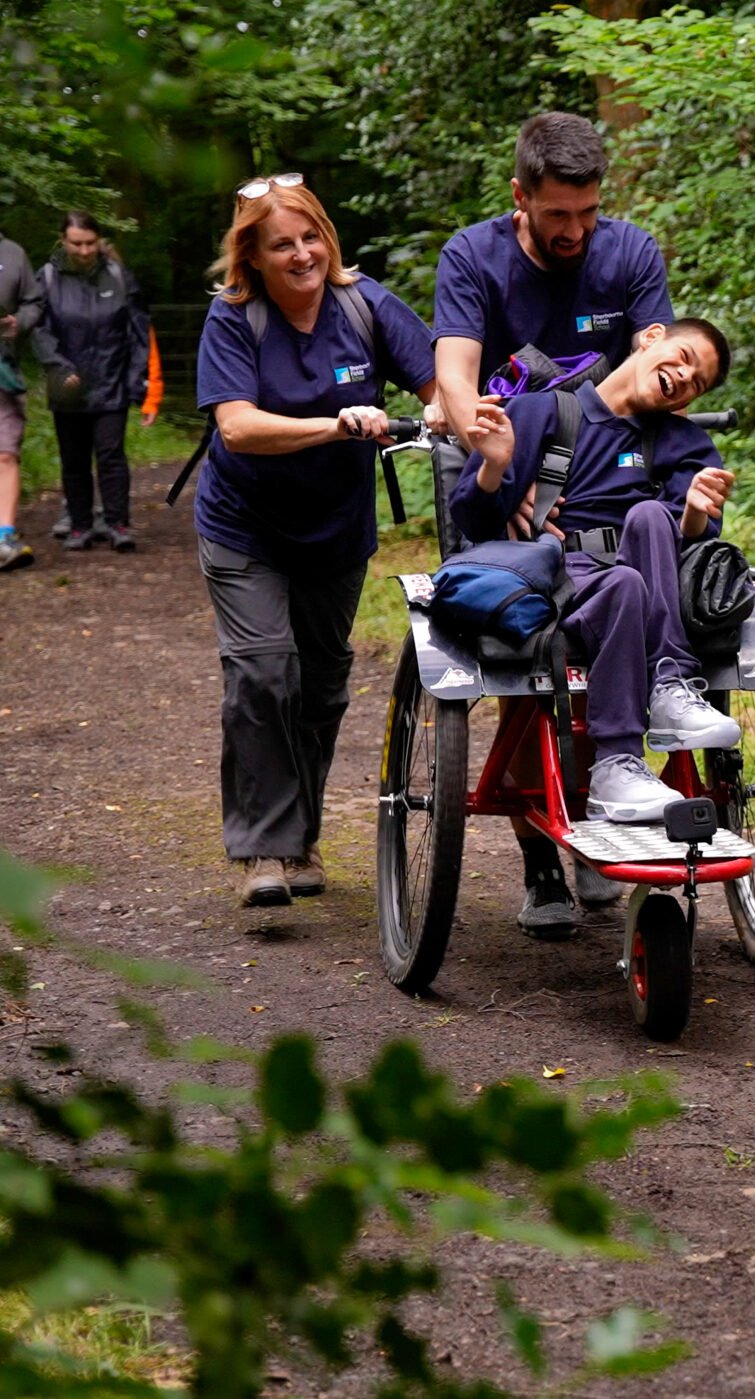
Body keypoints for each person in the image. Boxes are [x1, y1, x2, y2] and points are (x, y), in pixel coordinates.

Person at [433, 110, 674, 930]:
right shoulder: (473, 257)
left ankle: (605, 804)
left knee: (635, 598)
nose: (575, 230)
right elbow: (456, 379)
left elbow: (654, 352)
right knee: (526, 647)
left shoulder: (631, 252)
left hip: (607, 475)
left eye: (588, 213)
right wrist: (502, 455)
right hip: (504, 469)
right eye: (557, 215)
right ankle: (542, 861)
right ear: (520, 198)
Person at [196, 173, 442, 908]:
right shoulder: (236, 318)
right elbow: (236, 426)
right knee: (263, 672)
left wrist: (459, 413)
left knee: (321, 686)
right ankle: (261, 850)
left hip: (335, 532)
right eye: (282, 244)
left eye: (310, 237)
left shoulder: (364, 305)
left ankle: (299, 838)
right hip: (245, 526)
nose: (301, 254)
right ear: (254, 257)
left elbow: (439, 385)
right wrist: (335, 424)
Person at [450, 318, 742, 824]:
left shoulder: (680, 441)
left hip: (648, 583)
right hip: (559, 579)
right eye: (684, 358)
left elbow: (698, 539)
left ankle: (670, 688)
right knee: (625, 580)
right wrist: (494, 467)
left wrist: (693, 511)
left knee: (649, 520)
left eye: (697, 383)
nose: (685, 378)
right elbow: (472, 518)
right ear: (652, 338)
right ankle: (618, 762)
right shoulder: (542, 412)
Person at [33, 212, 150, 552]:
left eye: (90, 243)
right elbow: (40, 330)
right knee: (74, 458)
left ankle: (118, 522)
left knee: (111, 455)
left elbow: (138, 331)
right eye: (76, 244)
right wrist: (58, 367)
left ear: (99, 241)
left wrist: (136, 380)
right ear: (63, 241)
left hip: (111, 381)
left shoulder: (118, 276)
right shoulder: (49, 278)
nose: (84, 251)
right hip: (67, 385)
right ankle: (80, 525)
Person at [0, 232, 43, 572]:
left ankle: (5, 536)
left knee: (5, 452)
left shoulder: (13, 254)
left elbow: (34, 302)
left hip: (4, 373)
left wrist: (19, 322)